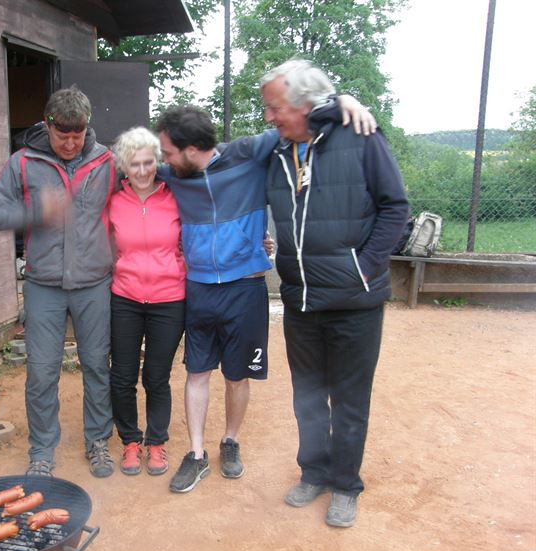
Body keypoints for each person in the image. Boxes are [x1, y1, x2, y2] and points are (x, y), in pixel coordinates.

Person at [154, 95, 376, 494]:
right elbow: (130, 164)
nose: (163, 161)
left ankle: (231, 441)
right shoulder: (174, 175)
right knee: (197, 371)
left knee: (237, 375)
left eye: (168, 152)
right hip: (199, 287)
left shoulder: (248, 155)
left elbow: (296, 122)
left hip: (245, 287)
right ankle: (197, 453)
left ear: (191, 149)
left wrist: (340, 102)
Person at [262, 59, 409, 527]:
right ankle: (313, 473)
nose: (268, 116)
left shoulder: (361, 136)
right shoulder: (277, 150)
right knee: (307, 396)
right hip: (301, 299)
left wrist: (363, 268)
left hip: (354, 302)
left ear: (305, 104)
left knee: (349, 399)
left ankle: (345, 485)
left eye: (275, 107)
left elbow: (395, 207)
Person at [0, 86, 116, 478]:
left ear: (87, 127)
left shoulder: (106, 161)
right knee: (41, 372)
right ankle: (41, 449)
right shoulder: (23, 163)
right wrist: (36, 209)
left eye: (78, 134)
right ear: (47, 124)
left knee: (97, 366)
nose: (70, 143)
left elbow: (142, 193)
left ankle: (98, 441)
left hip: (94, 283)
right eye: (62, 135)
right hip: (43, 285)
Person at [108, 127, 186, 476]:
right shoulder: (114, 201)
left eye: (148, 162)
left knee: (157, 376)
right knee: (122, 376)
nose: (142, 171)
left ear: (158, 162)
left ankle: (156, 443)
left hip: (169, 299)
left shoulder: (175, 196)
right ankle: (130, 441)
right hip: (125, 297)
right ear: (124, 167)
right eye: (134, 164)